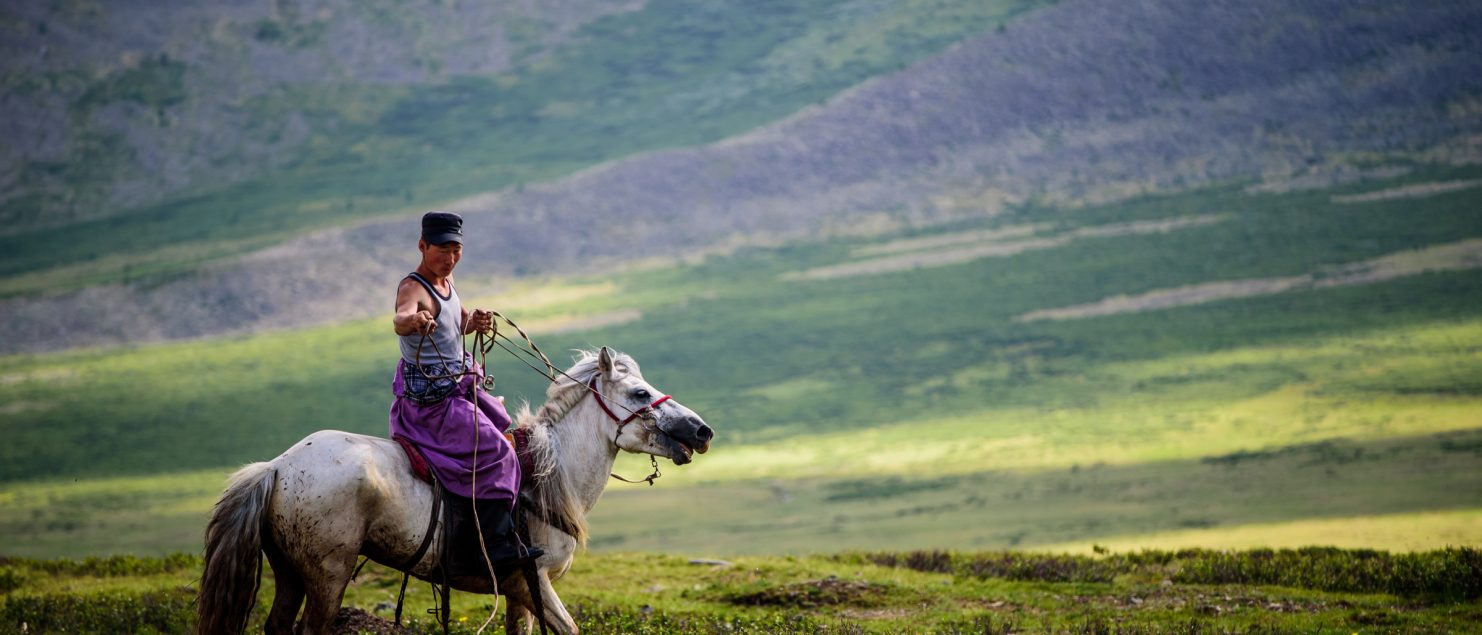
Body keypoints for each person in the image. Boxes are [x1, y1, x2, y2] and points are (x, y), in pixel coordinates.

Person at [389, 211, 537, 580]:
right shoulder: (413, 287)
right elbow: (400, 318)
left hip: (458, 386)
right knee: (498, 451)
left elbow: (459, 320)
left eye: (456, 249)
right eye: (442, 249)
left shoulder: (447, 280)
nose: (450, 257)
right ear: (423, 246)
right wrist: (415, 322)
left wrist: (476, 321)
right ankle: (492, 547)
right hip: (434, 403)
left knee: (506, 431)